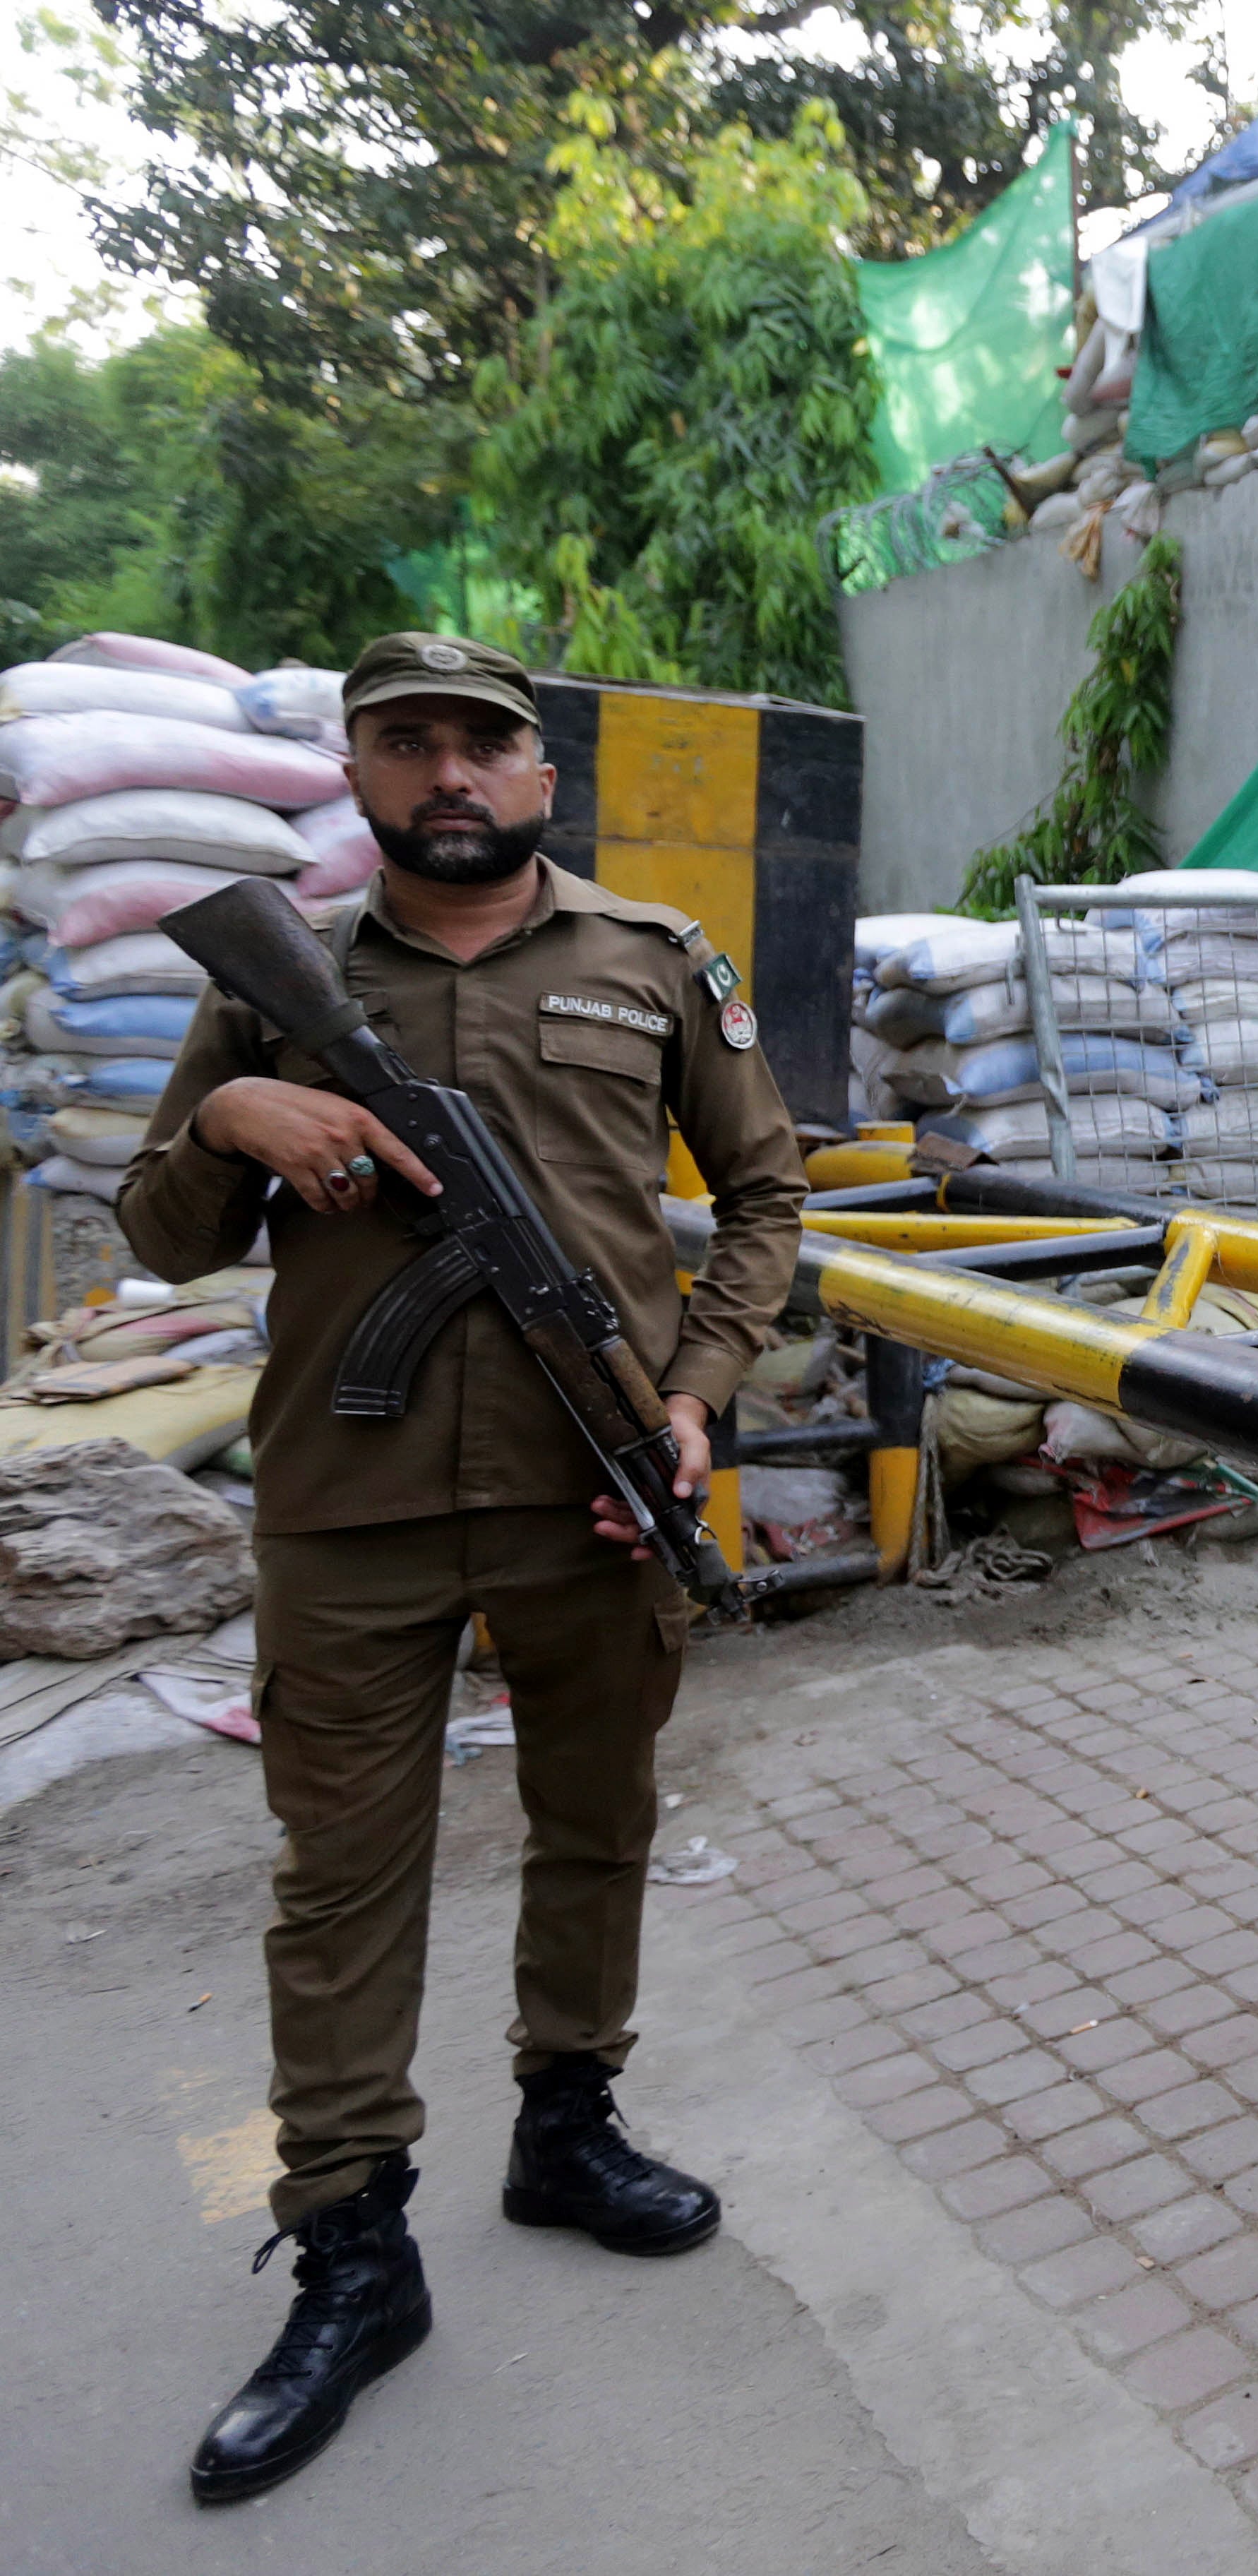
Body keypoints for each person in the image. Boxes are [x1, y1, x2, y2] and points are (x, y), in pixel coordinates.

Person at [119, 634, 810, 2504]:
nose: (448, 774)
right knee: (343, 1881)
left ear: (538, 773)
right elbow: (163, 1231)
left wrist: (695, 1399)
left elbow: (765, 1202)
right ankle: (356, 2254)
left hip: (595, 1495)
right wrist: (230, 1120)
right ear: (354, 773)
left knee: (598, 1827)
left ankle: (565, 2126)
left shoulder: (654, 961)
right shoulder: (286, 978)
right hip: (345, 1507)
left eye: (481, 745)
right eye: (404, 743)